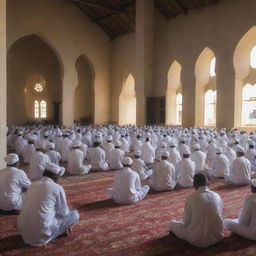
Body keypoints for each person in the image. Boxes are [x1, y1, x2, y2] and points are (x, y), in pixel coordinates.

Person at [18, 162, 79, 246]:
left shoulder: (33, 184)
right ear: (55, 176)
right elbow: (64, 213)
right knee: (75, 214)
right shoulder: (57, 188)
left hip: (24, 233)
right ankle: (58, 233)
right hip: (41, 235)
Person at [169, 173, 224, 248]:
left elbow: (186, 222)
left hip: (197, 240)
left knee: (171, 223)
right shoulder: (216, 195)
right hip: (217, 236)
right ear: (207, 183)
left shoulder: (191, 198)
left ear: (194, 184)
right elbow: (220, 213)